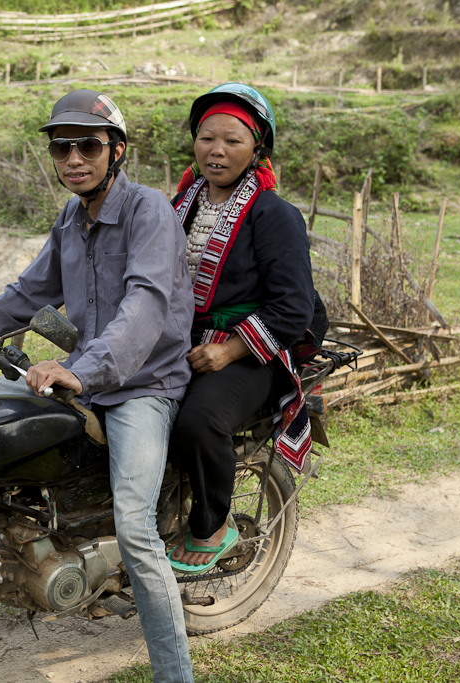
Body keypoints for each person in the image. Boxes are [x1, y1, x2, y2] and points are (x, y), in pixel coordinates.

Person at [0, 90, 196, 683]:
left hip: (141, 385)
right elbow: (25, 298)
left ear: (116, 150)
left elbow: (145, 308)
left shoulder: (149, 211)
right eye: (61, 146)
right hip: (87, 378)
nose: (74, 157)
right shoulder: (71, 220)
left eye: (88, 145)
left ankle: (174, 674)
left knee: (135, 525)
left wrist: (80, 369)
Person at [166, 84, 316, 574]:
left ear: (258, 149)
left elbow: (293, 307)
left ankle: (212, 523)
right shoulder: (178, 205)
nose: (217, 150)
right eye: (207, 138)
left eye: (233, 140)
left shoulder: (274, 215)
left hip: (254, 351)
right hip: (180, 341)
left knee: (198, 420)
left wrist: (229, 351)